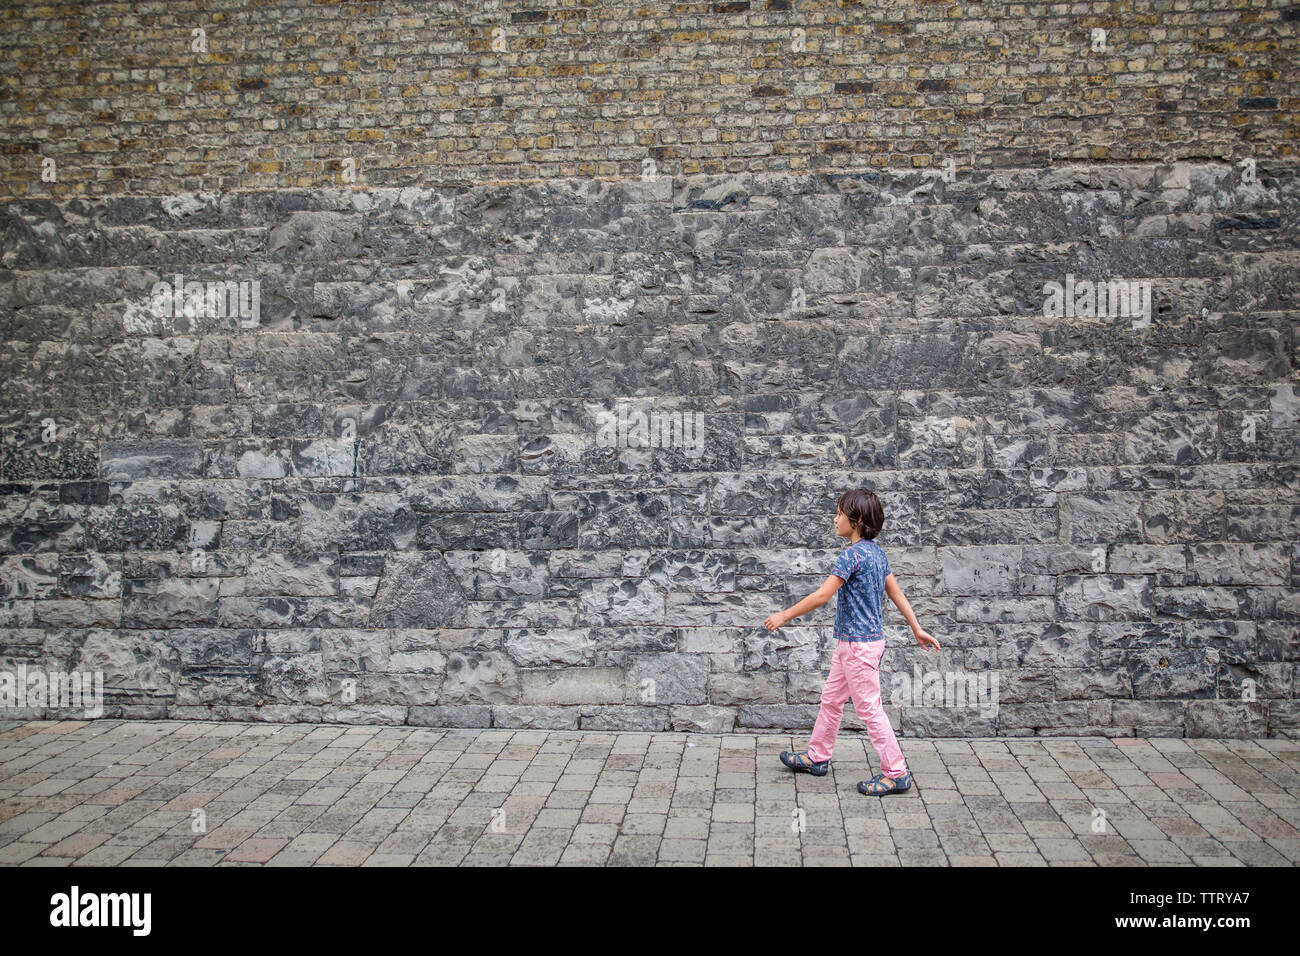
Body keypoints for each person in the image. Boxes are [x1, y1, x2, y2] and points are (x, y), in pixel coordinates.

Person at [763, 488, 940, 795]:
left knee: (870, 709)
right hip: (856, 644)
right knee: (831, 700)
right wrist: (917, 628)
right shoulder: (877, 553)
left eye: (839, 514)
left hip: (858, 648)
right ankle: (817, 757)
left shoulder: (852, 556)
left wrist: (784, 615)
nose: (835, 519)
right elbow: (896, 593)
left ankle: (895, 771)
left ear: (856, 520)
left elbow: (821, 596)